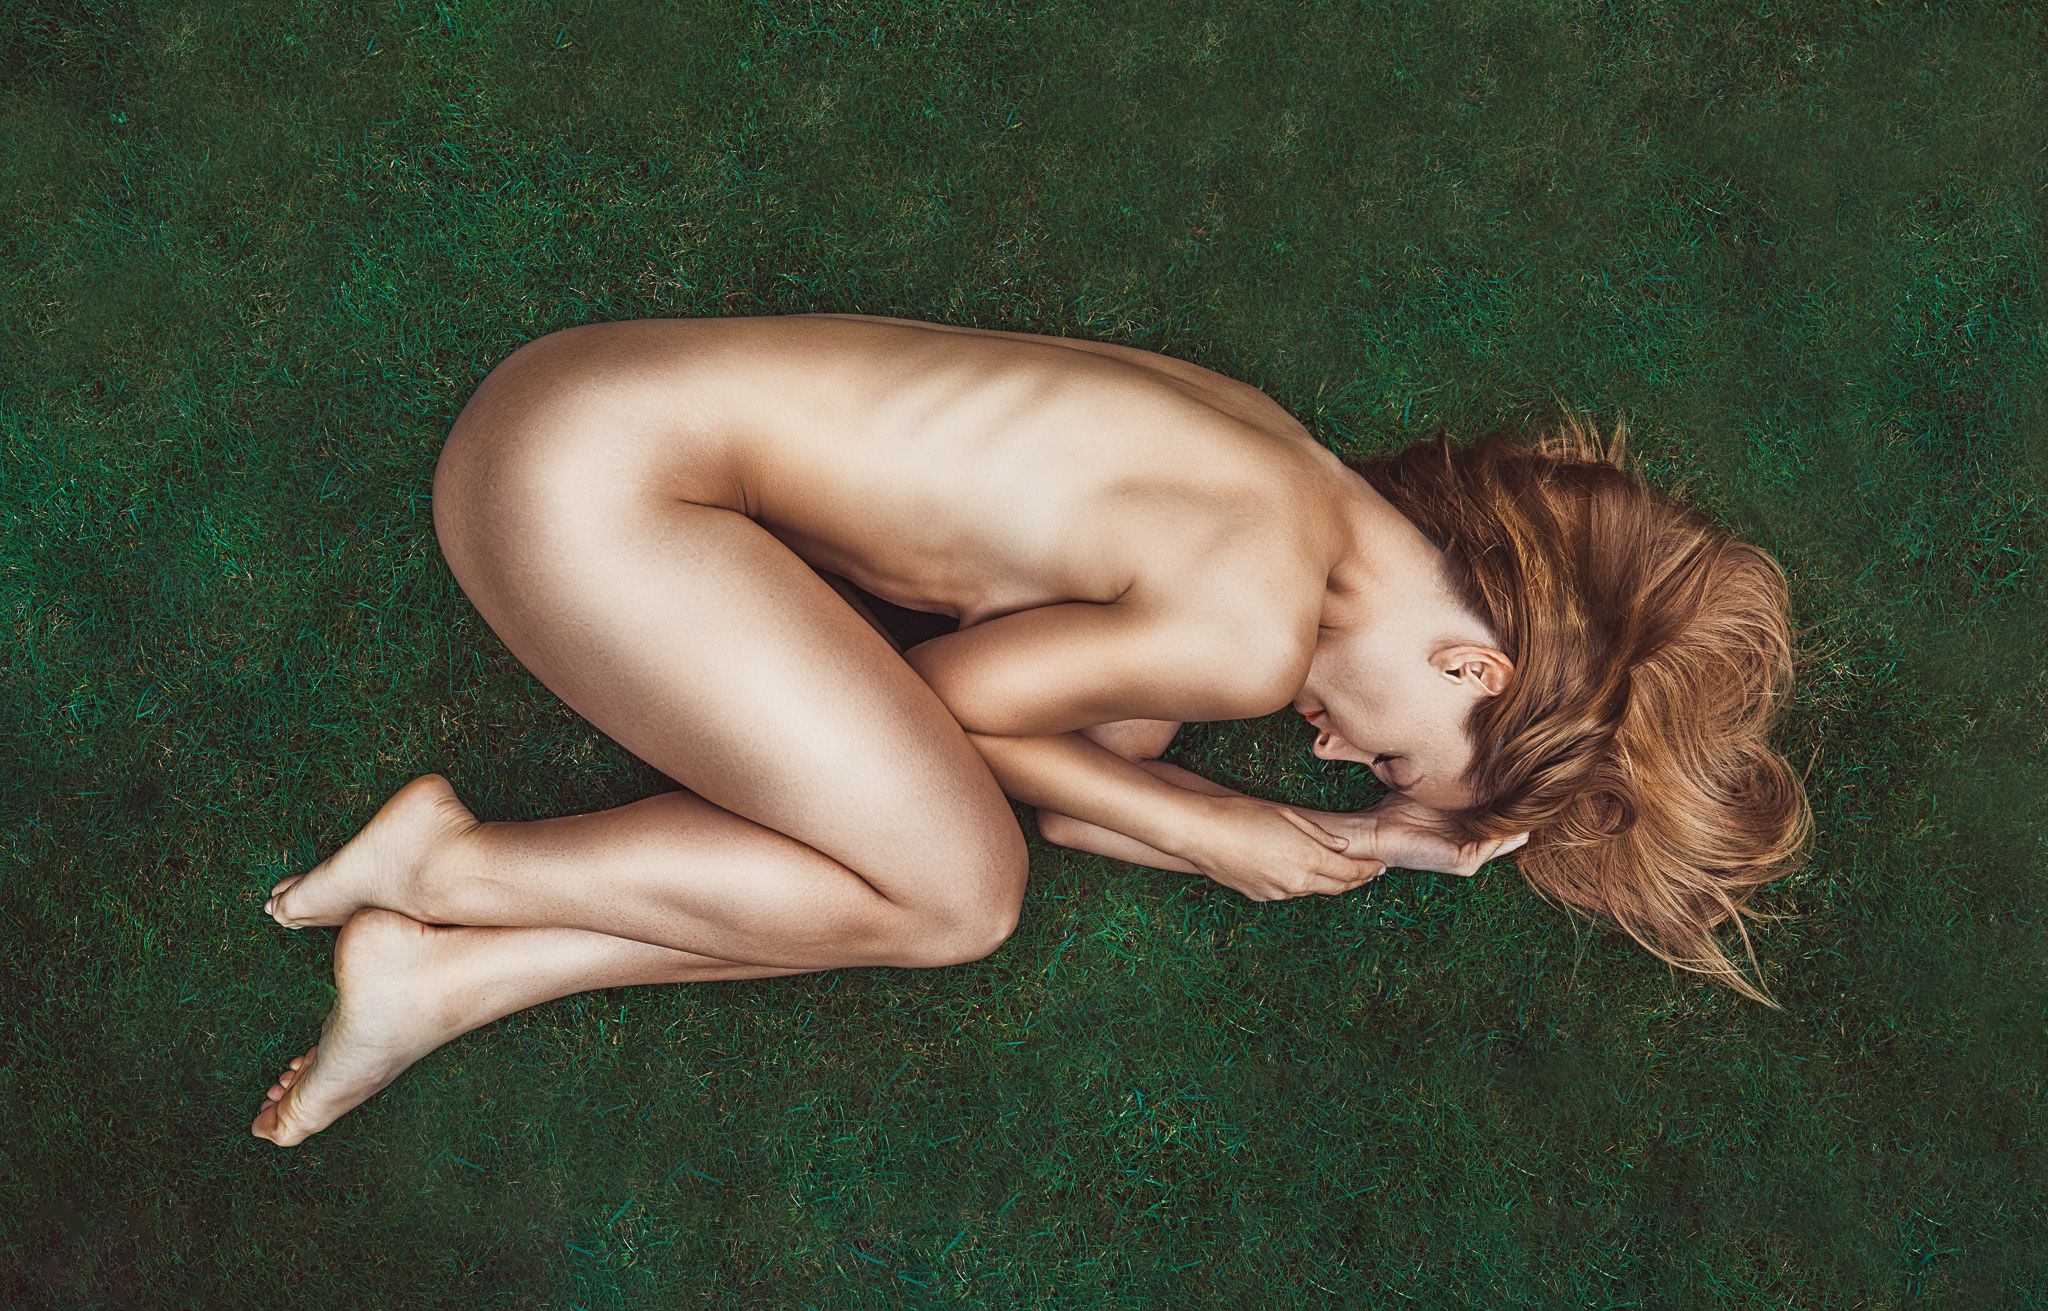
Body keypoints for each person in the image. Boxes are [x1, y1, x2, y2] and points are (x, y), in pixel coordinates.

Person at [251, 314, 1811, 1146]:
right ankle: (457, 874)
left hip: (575, 418)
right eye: (1392, 757)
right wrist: (1219, 825)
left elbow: (1076, 794)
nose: (1336, 755)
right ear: (1472, 661)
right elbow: (952, 718)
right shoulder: (1251, 622)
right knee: (957, 896)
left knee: (1005, 826)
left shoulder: (1292, 476)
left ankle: (448, 974)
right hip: (579, 492)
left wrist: (1363, 838)